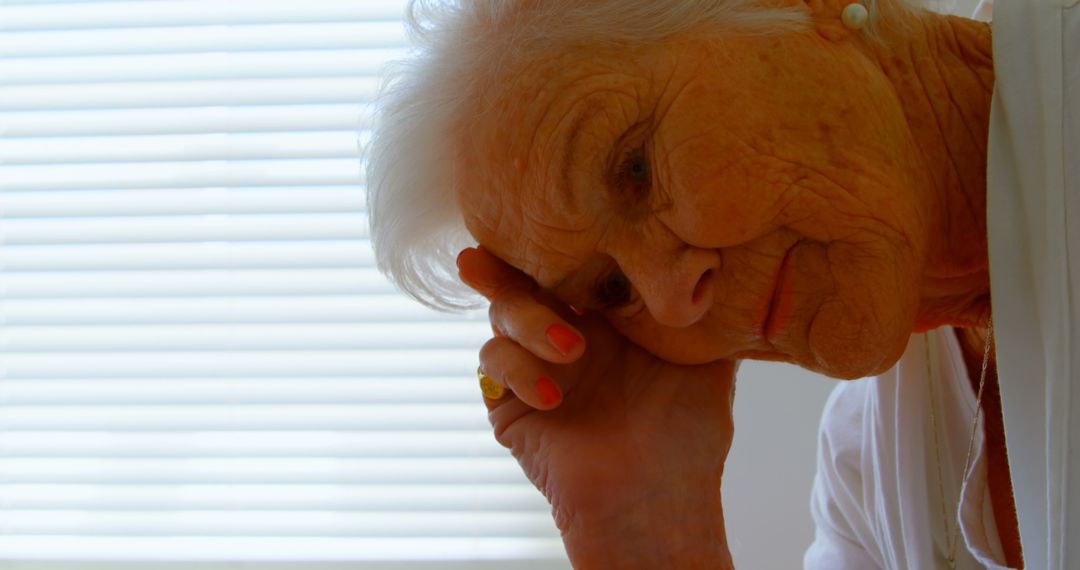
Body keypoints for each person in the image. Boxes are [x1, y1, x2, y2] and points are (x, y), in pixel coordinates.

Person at [364, 0, 1079, 568]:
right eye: (612, 289)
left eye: (635, 170)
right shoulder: (870, 464)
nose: (672, 301)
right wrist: (651, 536)